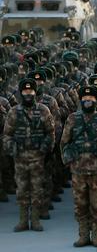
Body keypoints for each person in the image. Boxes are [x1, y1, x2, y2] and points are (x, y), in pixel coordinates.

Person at [60, 86, 97, 247]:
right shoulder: (73, 119)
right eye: (85, 99)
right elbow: (64, 143)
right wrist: (68, 163)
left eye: (91, 99)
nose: (88, 102)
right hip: (78, 170)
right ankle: (83, 235)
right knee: (80, 204)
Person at [2, 78, 56, 232]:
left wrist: (45, 149)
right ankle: (23, 220)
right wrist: (13, 149)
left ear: (35, 92)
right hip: (20, 157)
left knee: (37, 189)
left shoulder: (44, 110)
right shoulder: (13, 112)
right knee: (21, 189)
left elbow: (50, 133)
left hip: (38, 157)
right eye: (25, 91)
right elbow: (7, 135)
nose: (28, 94)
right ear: (21, 93)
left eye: (31, 91)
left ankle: (36, 220)